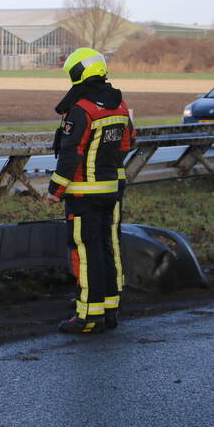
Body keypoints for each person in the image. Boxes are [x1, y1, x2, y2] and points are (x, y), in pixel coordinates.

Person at [47, 47, 136, 334]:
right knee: (107, 248)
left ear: (77, 74)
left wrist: (54, 189)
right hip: (111, 191)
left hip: (84, 194)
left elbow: (71, 153)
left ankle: (87, 317)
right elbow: (127, 143)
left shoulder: (82, 109)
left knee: (86, 253)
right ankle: (109, 310)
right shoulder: (120, 106)